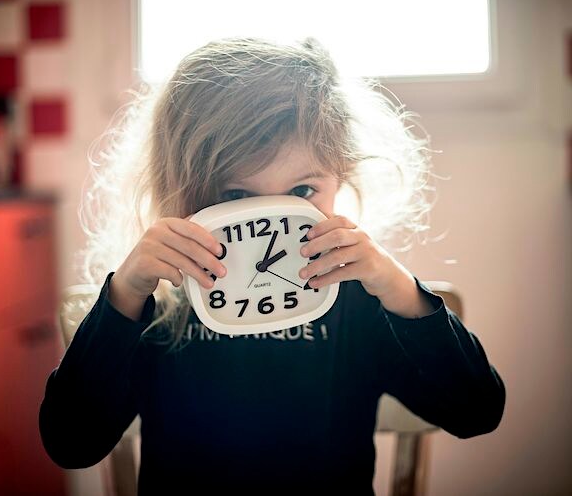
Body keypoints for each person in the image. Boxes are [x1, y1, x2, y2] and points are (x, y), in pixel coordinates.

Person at [39, 36, 506, 494]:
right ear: (179, 191)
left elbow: (476, 411)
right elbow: (71, 443)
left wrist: (396, 287)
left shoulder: (357, 301)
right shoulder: (160, 308)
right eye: (237, 197)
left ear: (341, 178)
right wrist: (125, 294)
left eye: (302, 192)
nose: (272, 222)